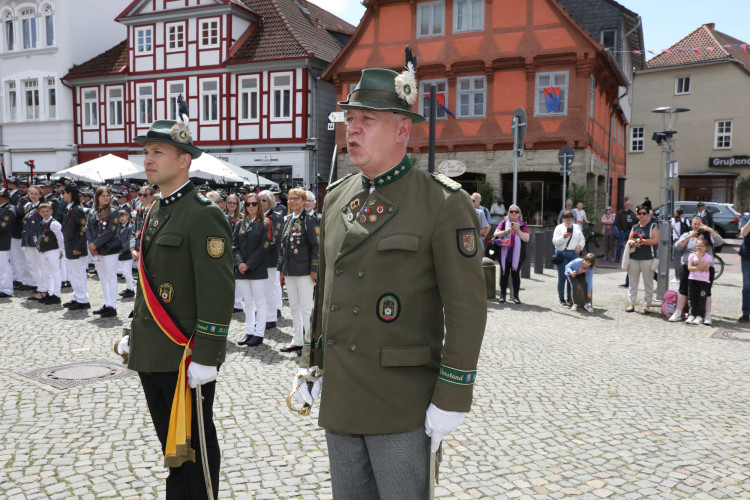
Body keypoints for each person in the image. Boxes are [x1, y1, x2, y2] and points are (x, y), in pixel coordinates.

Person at [293, 66, 486, 499]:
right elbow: (327, 290)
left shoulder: (440, 202)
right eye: (350, 119)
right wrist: (312, 361)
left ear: (402, 130)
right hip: (341, 394)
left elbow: (467, 308)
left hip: (401, 402)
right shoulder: (337, 196)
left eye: (368, 119)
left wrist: (453, 393)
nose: (353, 129)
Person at [119, 118, 234, 499]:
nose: (148, 159)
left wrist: (207, 355)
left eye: (158, 152)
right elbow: (147, 283)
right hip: (152, 351)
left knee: (195, 448)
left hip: (184, 356)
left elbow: (217, 289)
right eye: (146, 152)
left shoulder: (202, 213)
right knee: (172, 449)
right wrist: (130, 333)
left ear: (183, 159)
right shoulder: (157, 209)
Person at [277, 187, 319, 354]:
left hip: (304, 271)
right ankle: (297, 340)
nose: (292, 201)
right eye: (290, 198)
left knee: (307, 307)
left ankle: (310, 342)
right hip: (290, 270)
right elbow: (283, 247)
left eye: (296, 198)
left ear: (303, 201)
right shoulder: (288, 220)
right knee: (294, 306)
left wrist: (314, 269)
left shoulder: (309, 220)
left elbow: (316, 246)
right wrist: (281, 269)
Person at [233, 192, 271, 347]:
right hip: (241, 269)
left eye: (254, 204)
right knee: (247, 302)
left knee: (260, 303)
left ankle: (259, 333)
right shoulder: (239, 224)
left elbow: (265, 247)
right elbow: (234, 245)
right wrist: (240, 263)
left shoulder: (265, 223)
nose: (251, 207)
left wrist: (249, 264)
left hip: (257, 268)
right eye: (247, 204)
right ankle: (249, 332)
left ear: (259, 206)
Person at [668, 216, 723, 325]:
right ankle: (679, 312)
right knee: (684, 289)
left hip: (705, 267)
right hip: (688, 266)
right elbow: (677, 247)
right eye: (694, 224)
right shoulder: (687, 234)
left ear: (704, 224)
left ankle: (706, 314)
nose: (696, 226)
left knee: (705, 291)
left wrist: (710, 230)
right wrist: (689, 237)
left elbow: (720, 242)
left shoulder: (708, 235)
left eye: (699, 224)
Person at [86, 186, 121, 318]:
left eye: (108, 195)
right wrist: (91, 244)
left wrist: (95, 244)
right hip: (96, 249)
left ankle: (112, 306)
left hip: (109, 249)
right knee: (103, 278)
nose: (106, 198)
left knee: (111, 278)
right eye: (103, 196)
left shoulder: (113, 212)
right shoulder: (93, 211)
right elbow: (88, 228)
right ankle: (107, 304)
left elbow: (110, 231)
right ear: (97, 198)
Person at [624, 205, 659, 314]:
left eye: (644, 213)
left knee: (648, 283)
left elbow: (655, 241)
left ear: (648, 214)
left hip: (648, 258)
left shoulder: (653, 226)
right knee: (633, 282)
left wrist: (642, 241)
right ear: (637, 215)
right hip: (634, 257)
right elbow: (631, 240)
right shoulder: (635, 227)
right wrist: (635, 243)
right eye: (640, 213)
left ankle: (647, 305)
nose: (642, 215)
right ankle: (631, 304)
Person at [492, 204, 529, 304]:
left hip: (517, 255)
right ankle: (503, 295)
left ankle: (516, 296)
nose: (513, 213)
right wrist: (507, 231)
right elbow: (495, 234)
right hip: (504, 253)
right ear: (509, 213)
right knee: (504, 274)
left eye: (516, 212)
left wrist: (518, 230)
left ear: (519, 214)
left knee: (515, 275)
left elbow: (526, 238)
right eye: (511, 211)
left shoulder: (523, 225)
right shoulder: (504, 223)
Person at [61, 183, 90, 310]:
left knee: (78, 274)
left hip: (76, 248)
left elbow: (83, 231)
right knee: (72, 274)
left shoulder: (77, 209)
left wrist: (78, 247)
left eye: (64, 193)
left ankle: (83, 300)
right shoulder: (70, 208)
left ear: (70, 194)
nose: (63, 195)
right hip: (69, 246)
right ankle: (76, 297)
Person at [259, 189, 284, 328]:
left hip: (270, 258)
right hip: (257, 260)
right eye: (260, 200)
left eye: (264, 200)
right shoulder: (255, 216)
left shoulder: (277, 217)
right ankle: (264, 315)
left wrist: (259, 251)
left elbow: (274, 238)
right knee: (260, 290)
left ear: (271, 202)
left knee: (270, 289)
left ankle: (271, 317)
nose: (261, 203)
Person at [553, 210, 584, 306]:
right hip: (562, 253)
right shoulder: (559, 228)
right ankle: (561, 298)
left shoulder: (577, 227)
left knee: (572, 276)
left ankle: (570, 297)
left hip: (574, 253)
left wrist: (579, 246)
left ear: (573, 219)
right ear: (563, 219)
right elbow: (555, 242)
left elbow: (582, 239)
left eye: (570, 220)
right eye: (566, 220)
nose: (568, 222)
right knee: (563, 276)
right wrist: (563, 237)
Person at [36, 202, 64, 305]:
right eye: (43, 212)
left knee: (55, 273)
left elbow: (60, 238)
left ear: (51, 211)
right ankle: (50, 293)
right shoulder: (42, 222)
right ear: (40, 213)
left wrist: (61, 250)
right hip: (44, 251)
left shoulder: (54, 223)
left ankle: (56, 295)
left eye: (47, 211)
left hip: (53, 250)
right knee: (47, 273)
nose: (45, 213)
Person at [21, 185, 45, 298]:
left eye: (36, 194)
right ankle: (39, 288)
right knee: (35, 266)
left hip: (39, 241)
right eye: (31, 193)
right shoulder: (28, 206)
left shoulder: (43, 207)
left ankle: (44, 289)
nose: (33, 196)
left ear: (40, 195)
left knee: (42, 266)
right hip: (29, 239)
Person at [685, 238, 712, 325]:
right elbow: (690, 268)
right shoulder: (692, 256)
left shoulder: (708, 257)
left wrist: (700, 259)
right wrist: (700, 267)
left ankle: (700, 316)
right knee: (692, 298)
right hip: (692, 279)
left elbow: (705, 267)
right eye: (697, 245)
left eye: (701, 246)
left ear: (706, 247)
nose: (699, 247)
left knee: (701, 299)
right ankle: (691, 314)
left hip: (703, 281)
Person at [0, 188, 16, 298]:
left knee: (4, 267)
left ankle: (6, 289)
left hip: (3, 243)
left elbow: (3, 227)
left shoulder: (8, 210)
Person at [117, 209, 135, 299]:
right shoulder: (119, 227)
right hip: (121, 252)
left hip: (127, 252)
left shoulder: (130, 227)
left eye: (123, 216)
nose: (121, 218)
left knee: (125, 271)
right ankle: (129, 288)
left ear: (127, 216)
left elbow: (129, 240)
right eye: (120, 216)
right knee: (126, 272)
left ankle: (131, 290)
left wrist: (122, 250)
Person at [671, 208, 689, 282]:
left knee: (677, 259)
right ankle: (685, 275)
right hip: (685, 240)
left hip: (676, 241)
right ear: (682, 214)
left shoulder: (672, 220)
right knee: (684, 258)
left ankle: (678, 277)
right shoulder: (685, 220)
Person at [739, 214, 750, 323]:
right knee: (747, 286)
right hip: (747, 256)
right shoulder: (747, 217)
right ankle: (746, 313)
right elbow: (743, 233)